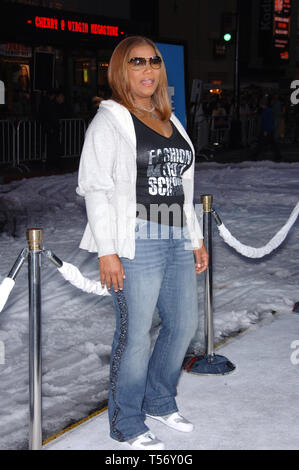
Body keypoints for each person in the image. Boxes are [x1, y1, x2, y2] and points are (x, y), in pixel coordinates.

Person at [77, 36, 209, 450]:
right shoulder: (110, 120)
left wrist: (195, 238)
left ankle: (159, 399)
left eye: (153, 62)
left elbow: (183, 189)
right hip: (135, 238)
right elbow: (95, 188)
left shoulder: (171, 121)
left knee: (183, 324)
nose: (148, 69)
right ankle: (126, 421)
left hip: (174, 235)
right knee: (134, 335)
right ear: (121, 69)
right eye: (137, 62)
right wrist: (107, 250)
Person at [251, 96, 282, 162]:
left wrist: (266, 130)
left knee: (261, 143)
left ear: (262, 104)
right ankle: (278, 156)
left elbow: (267, 121)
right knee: (272, 144)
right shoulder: (267, 111)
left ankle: (255, 155)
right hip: (269, 130)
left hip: (267, 130)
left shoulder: (266, 111)